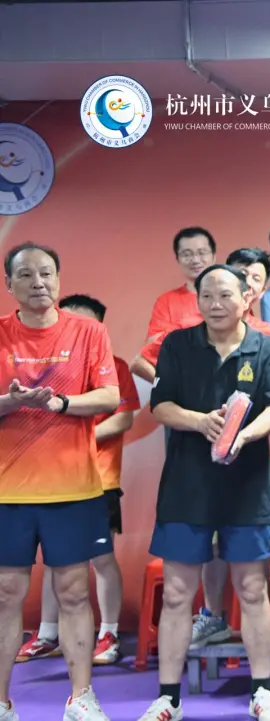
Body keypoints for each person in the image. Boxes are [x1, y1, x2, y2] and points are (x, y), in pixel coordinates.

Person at [138, 265, 270, 721]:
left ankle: (262, 693)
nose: (215, 304)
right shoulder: (177, 344)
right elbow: (161, 405)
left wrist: (245, 434)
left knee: (252, 588)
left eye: (225, 295)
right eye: (207, 296)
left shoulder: (268, 347)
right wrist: (201, 421)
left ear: (246, 298)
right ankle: (168, 698)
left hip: (247, 488)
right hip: (187, 487)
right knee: (177, 593)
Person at [0, 242, 120, 721]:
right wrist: (10, 403)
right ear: (9, 283)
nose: (38, 283)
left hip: (74, 489)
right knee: (6, 596)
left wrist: (62, 404)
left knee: (74, 593)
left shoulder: (88, 331)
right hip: (8, 493)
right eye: (26, 275)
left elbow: (109, 395)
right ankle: (2, 703)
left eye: (47, 273)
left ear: (58, 278)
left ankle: (80, 698)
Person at [17, 295, 138, 667]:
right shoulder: (44, 368)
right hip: (47, 481)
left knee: (101, 559)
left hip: (96, 479)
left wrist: (76, 438)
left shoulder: (114, 366)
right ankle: (48, 634)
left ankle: (109, 633)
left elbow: (123, 418)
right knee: (56, 560)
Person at [131, 227, 216, 383]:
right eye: (187, 254)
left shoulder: (230, 299)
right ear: (178, 259)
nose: (195, 260)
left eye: (202, 252)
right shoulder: (166, 301)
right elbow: (154, 347)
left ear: (213, 256)